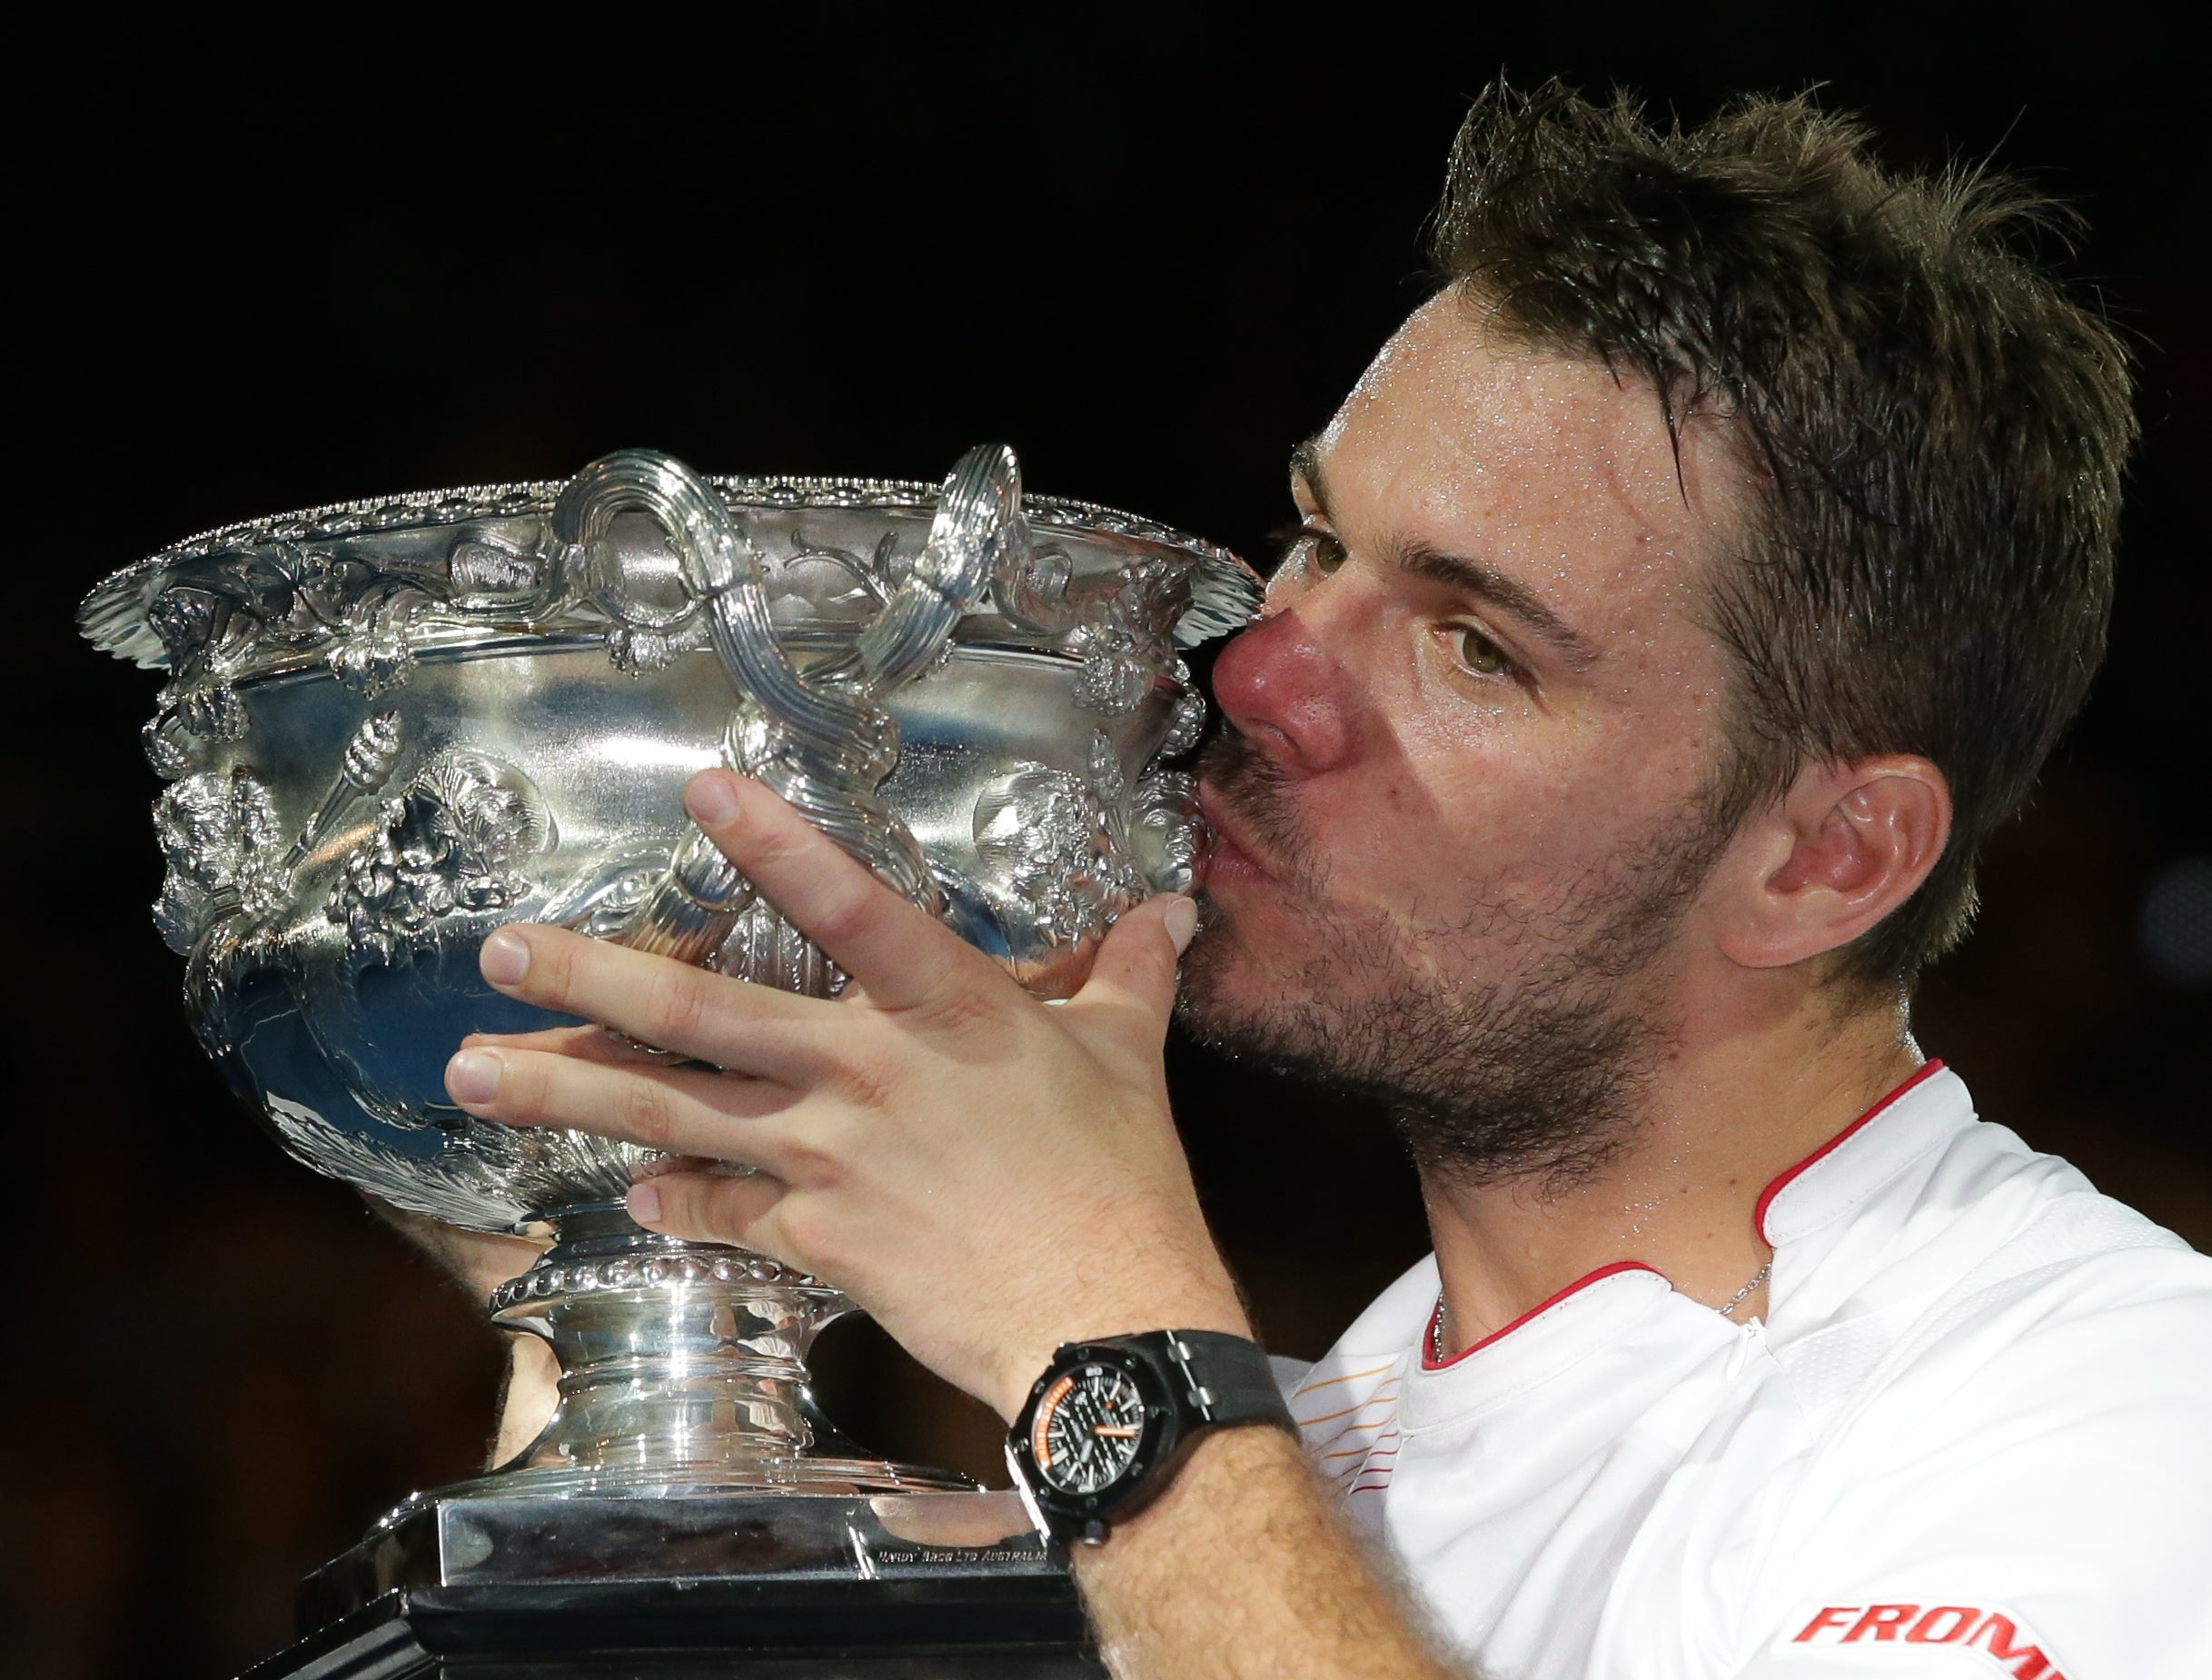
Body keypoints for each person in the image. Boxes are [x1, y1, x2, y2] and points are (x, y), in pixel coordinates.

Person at [425, 83, 2212, 1676]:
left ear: (1826, 857)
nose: (1260, 671)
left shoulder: (2106, 1403)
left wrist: (1096, 1312)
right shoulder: (1269, 1454)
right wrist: (607, 1291)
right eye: (1319, 537)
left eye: (1475, 646)